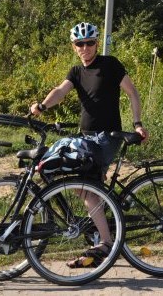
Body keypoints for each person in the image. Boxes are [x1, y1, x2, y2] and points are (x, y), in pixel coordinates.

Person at [30, 21, 148, 268]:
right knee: (82, 187)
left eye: (90, 43)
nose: (85, 48)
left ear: (96, 43)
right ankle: (102, 233)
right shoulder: (76, 71)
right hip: (85, 138)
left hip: (106, 138)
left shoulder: (110, 65)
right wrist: (41, 106)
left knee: (82, 186)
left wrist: (137, 123)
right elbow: (60, 91)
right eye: (79, 44)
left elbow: (132, 93)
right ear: (74, 47)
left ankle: (105, 243)